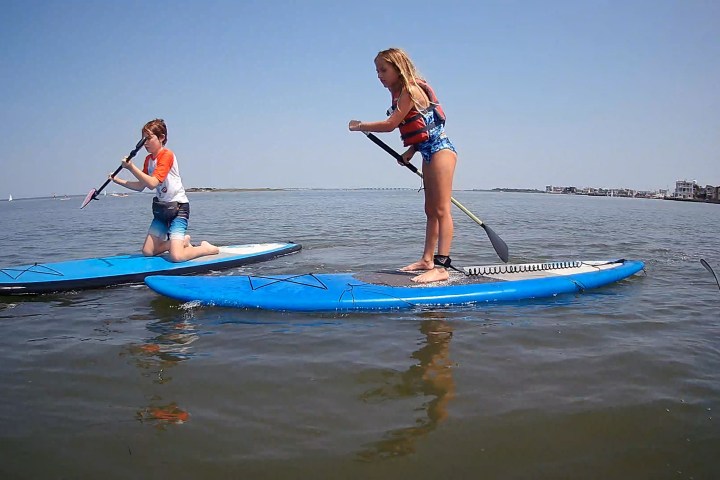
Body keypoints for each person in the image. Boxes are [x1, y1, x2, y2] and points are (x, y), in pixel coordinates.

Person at [349, 48, 458, 283]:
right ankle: (427, 259)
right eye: (377, 71)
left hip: (442, 151)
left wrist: (360, 125)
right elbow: (423, 131)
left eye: (383, 70)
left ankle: (442, 266)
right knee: (430, 211)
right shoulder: (399, 93)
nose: (379, 75)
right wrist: (410, 152)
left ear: (398, 69)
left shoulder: (410, 90)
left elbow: (391, 125)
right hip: (428, 152)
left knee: (441, 211)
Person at [111, 118, 219, 262]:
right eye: (143, 139)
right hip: (162, 210)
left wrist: (131, 167)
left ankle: (206, 248)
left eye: (149, 138)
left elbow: (152, 183)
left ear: (161, 138)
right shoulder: (148, 160)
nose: (145, 143)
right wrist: (117, 180)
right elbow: (141, 186)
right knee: (148, 251)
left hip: (178, 208)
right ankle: (182, 243)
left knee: (177, 257)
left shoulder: (167, 155)